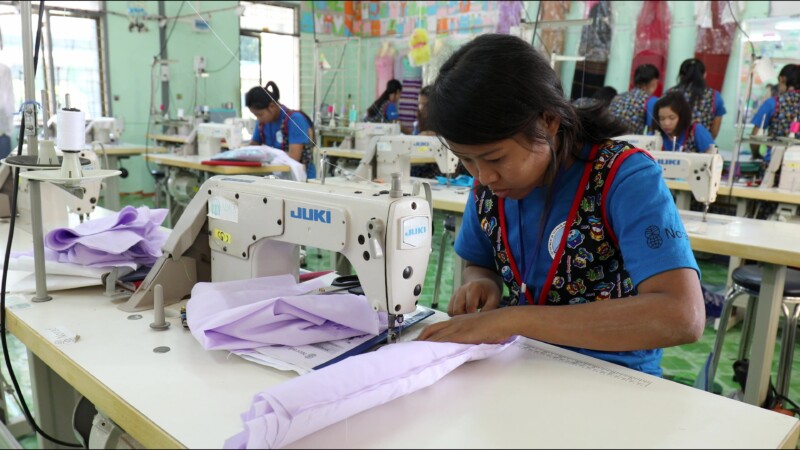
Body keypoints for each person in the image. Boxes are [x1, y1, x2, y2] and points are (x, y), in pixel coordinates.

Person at [417, 34, 704, 377]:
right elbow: (479, 262)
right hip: (522, 367)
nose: (483, 175)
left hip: (614, 379)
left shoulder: (624, 178)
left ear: (548, 121)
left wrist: (512, 319)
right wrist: (483, 283)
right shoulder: (489, 188)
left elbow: (682, 315)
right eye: (466, 160)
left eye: (494, 158)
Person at [245, 81, 314, 175]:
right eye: (255, 115)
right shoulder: (263, 123)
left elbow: (294, 157)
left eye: (260, 114)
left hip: (300, 179)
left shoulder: (295, 120)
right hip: (274, 177)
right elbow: (253, 146)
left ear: (272, 106)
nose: (258, 119)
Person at [749, 64, 800, 161]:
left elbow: (755, 139)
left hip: (774, 165)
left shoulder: (772, 103)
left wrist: (756, 155)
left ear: (782, 79)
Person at [667, 58, 726, 139]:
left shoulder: (670, 93)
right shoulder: (715, 96)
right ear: (704, 75)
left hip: (672, 145)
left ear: (680, 75)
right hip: (702, 147)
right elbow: (714, 131)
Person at [608, 64, 660, 135]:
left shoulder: (618, 97)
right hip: (629, 143)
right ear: (654, 83)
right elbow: (651, 132)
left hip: (608, 141)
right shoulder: (651, 101)